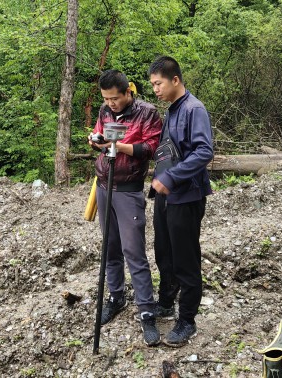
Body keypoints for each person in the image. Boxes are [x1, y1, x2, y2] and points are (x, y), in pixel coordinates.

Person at [88, 69, 163, 346]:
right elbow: (99, 134)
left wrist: (120, 147)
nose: (111, 104)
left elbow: (152, 148)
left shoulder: (147, 112)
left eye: (115, 99)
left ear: (128, 93)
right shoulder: (104, 110)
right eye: (107, 99)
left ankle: (146, 311)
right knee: (110, 247)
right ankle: (115, 296)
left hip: (129, 188)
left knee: (134, 251)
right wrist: (95, 140)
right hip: (104, 185)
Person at [148, 56, 214, 347]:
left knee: (186, 260)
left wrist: (172, 178)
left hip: (185, 195)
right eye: (152, 85)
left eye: (158, 83)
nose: (155, 90)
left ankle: (187, 320)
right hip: (165, 195)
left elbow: (203, 152)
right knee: (164, 251)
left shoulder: (193, 109)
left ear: (175, 80)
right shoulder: (172, 110)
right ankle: (166, 301)